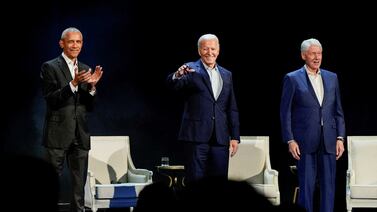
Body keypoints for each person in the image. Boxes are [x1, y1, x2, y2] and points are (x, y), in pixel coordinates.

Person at [40, 27, 103, 212]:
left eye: (79, 42)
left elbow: (88, 107)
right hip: (57, 134)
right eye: (71, 41)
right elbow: (51, 99)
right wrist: (73, 84)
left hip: (80, 134)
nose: (75, 45)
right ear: (62, 43)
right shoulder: (50, 67)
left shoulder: (84, 68)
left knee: (79, 184)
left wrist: (91, 88)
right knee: (51, 181)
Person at [280, 38, 346, 212]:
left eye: (319, 53)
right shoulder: (292, 78)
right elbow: (285, 112)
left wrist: (340, 137)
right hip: (304, 141)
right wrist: (290, 140)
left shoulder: (332, 78)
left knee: (328, 188)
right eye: (312, 53)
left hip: (329, 141)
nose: (317, 57)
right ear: (303, 55)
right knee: (306, 188)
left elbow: (338, 110)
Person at [166, 34, 240, 183]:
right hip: (196, 137)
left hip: (220, 138)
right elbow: (173, 85)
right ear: (199, 51)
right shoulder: (191, 69)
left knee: (219, 183)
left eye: (213, 49)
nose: (209, 52)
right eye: (205, 49)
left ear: (218, 51)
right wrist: (177, 75)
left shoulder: (227, 75)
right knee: (195, 182)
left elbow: (231, 107)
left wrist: (235, 137)